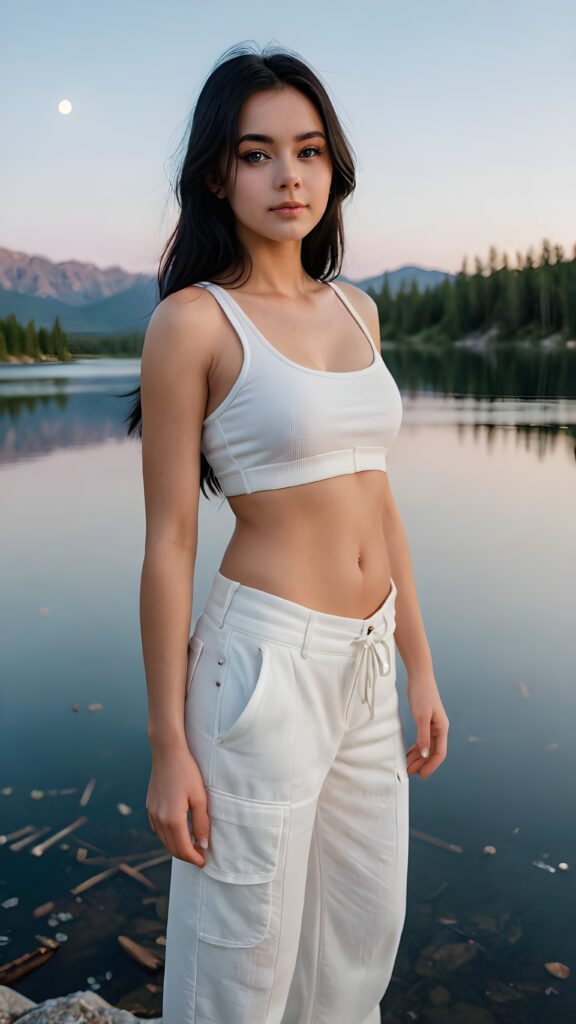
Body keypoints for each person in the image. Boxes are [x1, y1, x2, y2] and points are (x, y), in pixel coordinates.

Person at [125, 41, 449, 1024]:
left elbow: (378, 502)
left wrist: (419, 664)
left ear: (331, 166)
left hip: (365, 661)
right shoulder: (194, 323)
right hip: (262, 664)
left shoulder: (359, 309)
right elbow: (170, 539)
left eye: (307, 151)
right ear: (219, 172)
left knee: (358, 927)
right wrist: (167, 739)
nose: (288, 175)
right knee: (242, 951)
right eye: (258, 153)